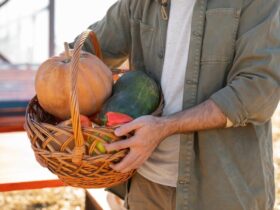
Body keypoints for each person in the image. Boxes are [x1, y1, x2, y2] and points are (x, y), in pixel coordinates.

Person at [70, 0, 280, 209]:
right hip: (146, 188)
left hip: (225, 191)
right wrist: (49, 115)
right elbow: (84, 53)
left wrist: (165, 127)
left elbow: (258, 89)